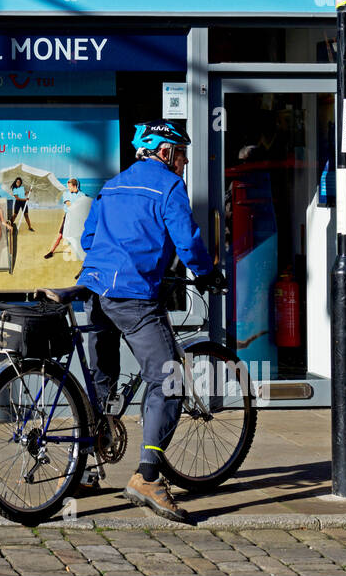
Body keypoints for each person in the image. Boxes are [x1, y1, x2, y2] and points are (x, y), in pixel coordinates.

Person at [77, 120, 225, 523]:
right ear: (163, 152)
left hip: (94, 289)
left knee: (100, 376)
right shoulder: (168, 186)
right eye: (181, 154)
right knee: (169, 378)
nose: (185, 162)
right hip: (133, 295)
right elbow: (188, 239)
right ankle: (148, 476)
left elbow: (89, 240)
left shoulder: (113, 184)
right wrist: (206, 273)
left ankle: (87, 466)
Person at [43, 178, 81, 258]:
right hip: (68, 217)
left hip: (77, 217)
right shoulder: (66, 194)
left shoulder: (81, 195)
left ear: (75, 186)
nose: (68, 188)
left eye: (69, 186)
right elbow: (69, 205)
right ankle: (51, 251)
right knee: (60, 235)